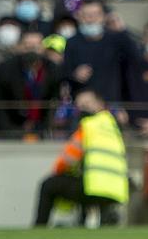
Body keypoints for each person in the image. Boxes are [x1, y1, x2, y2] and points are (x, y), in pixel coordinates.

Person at [33, 90, 129, 226]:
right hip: (116, 190)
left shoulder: (89, 125)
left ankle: (38, 228)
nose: (83, 108)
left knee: (49, 185)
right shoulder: (113, 125)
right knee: (83, 179)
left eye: (87, 103)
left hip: (94, 188)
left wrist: (58, 171)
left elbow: (68, 160)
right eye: (80, 105)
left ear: (100, 104)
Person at [62, 1, 140, 105]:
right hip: (83, 104)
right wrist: (75, 75)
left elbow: (136, 58)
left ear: (103, 16)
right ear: (79, 16)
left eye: (95, 15)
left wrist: (122, 30)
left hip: (110, 102)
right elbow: (64, 72)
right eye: (86, 15)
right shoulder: (72, 42)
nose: (91, 19)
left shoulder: (115, 38)